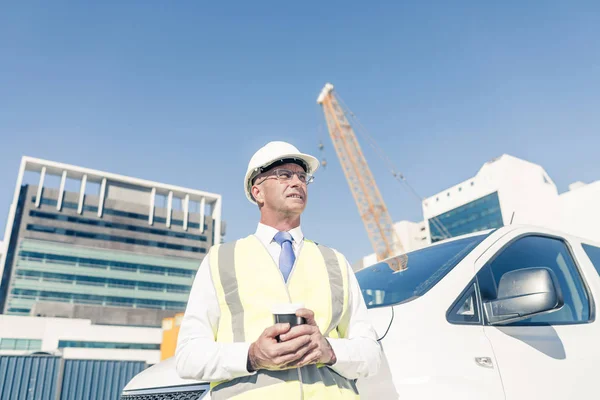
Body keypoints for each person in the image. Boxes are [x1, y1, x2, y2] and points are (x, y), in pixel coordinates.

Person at [176, 141, 382, 399]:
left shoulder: (336, 262)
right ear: (257, 192)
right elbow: (187, 357)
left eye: (303, 177)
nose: (297, 183)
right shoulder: (220, 260)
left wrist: (328, 350)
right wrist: (252, 356)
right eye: (284, 175)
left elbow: (371, 355)